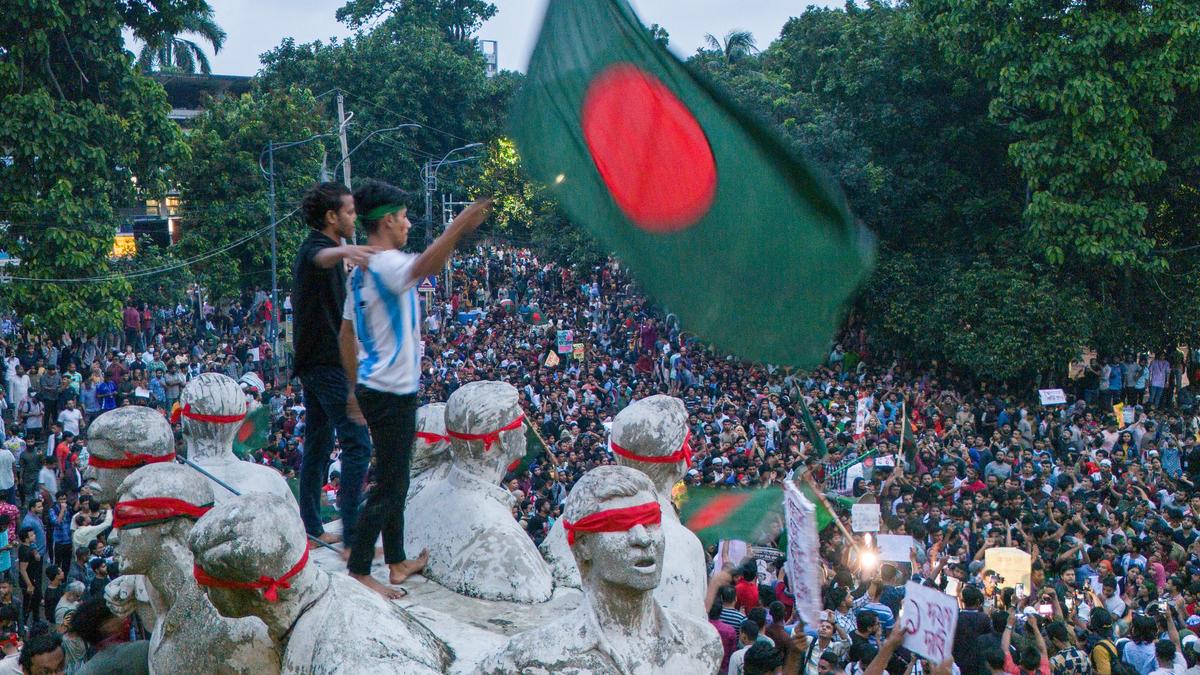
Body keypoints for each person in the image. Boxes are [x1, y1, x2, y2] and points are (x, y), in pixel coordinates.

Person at [338, 179, 490, 596]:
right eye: (403, 218)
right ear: (387, 221)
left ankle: (397, 559)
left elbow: (346, 334)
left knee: (395, 475)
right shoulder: (385, 264)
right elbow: (426, 267)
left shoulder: (360, 271)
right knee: (390, 484)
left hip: (376, 387)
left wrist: (355, 386)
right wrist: (458, 227)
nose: (408, 225)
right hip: (391, 391)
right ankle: (361, 569)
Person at [292, 181, 377, 553]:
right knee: (358, 443)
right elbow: (322, 259)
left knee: (319, 442)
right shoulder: (316, 248)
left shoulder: (329, 249)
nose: (354, 217)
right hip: (326, 364)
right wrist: (352, 251)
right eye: (349, 212)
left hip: (319, 361)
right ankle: (355, 536)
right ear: (331, 216)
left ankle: (311, 524)